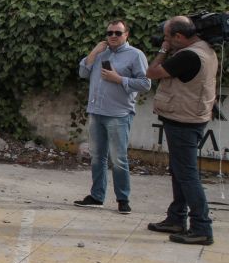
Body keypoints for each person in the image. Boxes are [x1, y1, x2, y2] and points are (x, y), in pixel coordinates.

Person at [144, 15, 220, 246]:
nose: (165, 40)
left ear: (179, 36)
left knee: (187, 175)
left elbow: (152, 72)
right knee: (179, 171)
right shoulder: (205, 49)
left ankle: (201, 227)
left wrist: (163, 50)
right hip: (190, 117)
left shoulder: (188, 55)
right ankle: (176, 218)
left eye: (168, 37)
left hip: (184, 121)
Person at [73, 19, 150, 214]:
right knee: (97, 157)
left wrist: (119, 79)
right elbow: (83, 73)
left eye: (118, 32)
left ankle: (123, 199)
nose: (113, 36)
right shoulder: (101, 53)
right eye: (110, 33)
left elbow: (145, 84)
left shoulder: (135, 55)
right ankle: (97, 196)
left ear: (126, 35)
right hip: (96, 112)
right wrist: (93, 52)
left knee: (118, 159)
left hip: (119, 114)